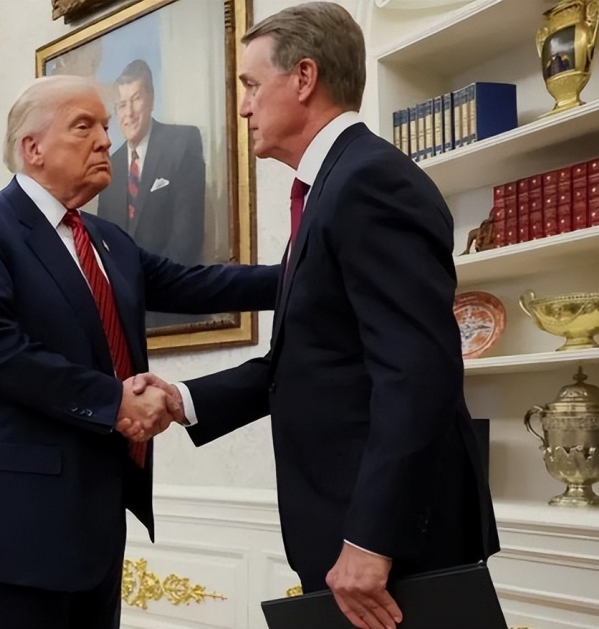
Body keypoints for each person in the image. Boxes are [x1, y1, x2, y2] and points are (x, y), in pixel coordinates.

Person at [131, 4, 499, 628]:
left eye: (251, 85)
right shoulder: (334, 183)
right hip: (354, 525)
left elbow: (418, 374)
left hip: (393, 542)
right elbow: (311, 358)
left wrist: (371, 539)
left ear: (304, 78)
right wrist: (184, 399)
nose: (243, 107)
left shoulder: (369, 183)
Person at [0, 75, 279, 629]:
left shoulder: (108, 240)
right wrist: (114, 401)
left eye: (105, 127)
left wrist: (307, 271)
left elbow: (199, 284)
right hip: (7, 522)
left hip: (94, 519)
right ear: (32, 148)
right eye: (83, 126)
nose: (106, 140)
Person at [97, 59, 207, 329]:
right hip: (127, 317)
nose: (129, 113)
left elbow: (187, 238)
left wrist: (145, 292)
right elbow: (105, 248)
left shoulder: (182, 142)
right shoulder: (109, 166)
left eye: (136, 99)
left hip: (176, 307)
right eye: (121, 105)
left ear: (152, 99)